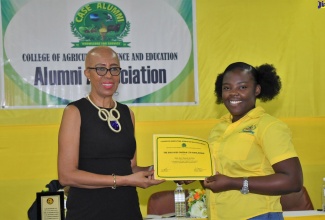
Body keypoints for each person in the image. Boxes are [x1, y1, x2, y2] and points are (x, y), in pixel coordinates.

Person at [57, 46, 164, 220]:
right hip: (87, 212)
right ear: (87, 73)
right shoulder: (75, 111)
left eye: (114, 69)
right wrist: (124, 180)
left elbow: (130, 167)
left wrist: (162, 170)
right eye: (100, 69)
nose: (108, 75)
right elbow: (66, 176)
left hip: (127, 210)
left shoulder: (127, 113)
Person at [198, 62, 303, 219]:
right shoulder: (218, 130)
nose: (233, 93)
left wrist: (235, 183)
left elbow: (293, 180)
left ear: (257, 90)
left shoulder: (269, 126)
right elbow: (216, 179)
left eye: (242, 87)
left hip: (258, 215)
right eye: (227, 88)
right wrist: (195, 174)